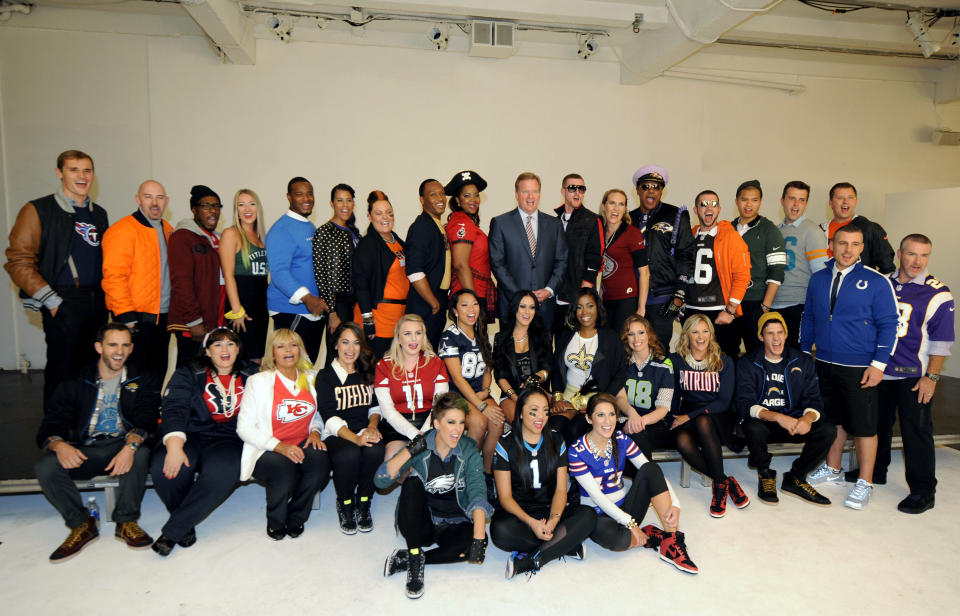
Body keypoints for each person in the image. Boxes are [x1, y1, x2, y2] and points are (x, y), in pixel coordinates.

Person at [34, 323, 160, 561]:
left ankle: (126, 521)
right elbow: (50, 426)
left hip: (121, 445)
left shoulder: (144, 378)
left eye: (125, 345)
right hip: (86, 449)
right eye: (112, 344)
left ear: (131, 348)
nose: (119, 351)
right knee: (46, 467)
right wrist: (60, 446)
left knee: (140, 452)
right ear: (98, 347)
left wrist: (130, 447)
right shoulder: (74, 381)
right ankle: (81, 524)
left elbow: (147, 418)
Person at [802, 224, 898, 510]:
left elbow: (890, 325)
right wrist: (806, 352)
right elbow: (809, 317)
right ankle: (833, 469)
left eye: (855, 244)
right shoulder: (818, 278)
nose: (848, 250)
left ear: (861, 248)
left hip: (860, 367)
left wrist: (879, 364)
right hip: (825, 363)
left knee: (865, 427)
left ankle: (865, 482)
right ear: (832, 244)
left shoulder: (877, 281)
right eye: (842, 243)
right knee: (833, 421)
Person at [5, 149, 109, 404]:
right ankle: (56, 431)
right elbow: (18, 260)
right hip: (63, 299)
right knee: (63, 369)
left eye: (87, 170)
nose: (82, 176)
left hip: (96, 300)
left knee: (92, 367)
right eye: (74, 170)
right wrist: (50, 300)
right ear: (59, 173)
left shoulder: (99, 214)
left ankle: (84, 423)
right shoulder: (38, 209)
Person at [150, 327, 256, 556]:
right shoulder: (188, 373)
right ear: (207, 351)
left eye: (230, 343)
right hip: (191, 434)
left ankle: (175, 529)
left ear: (238, 349)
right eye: (217, 344)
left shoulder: (252, 374)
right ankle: (185, 520)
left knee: (225, 471)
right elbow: (174, 409)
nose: (224, 349)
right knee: (166, 469)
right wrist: (175, 446)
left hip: (229, 438)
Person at [376, 393, 493, 599]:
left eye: (461, 423)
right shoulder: (422, 446)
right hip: (421, 523)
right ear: (437, 423)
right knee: (412, 483)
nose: (458, 430)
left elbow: (477, 489)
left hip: (455, 521)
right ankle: (414, 559)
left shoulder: (468, 450)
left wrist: (478, 537)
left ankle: (412, 558)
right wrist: (410, 451)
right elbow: (381, 481)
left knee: (476, 542)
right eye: (451, 422)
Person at [567, 393, 697, 573]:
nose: (608, 421)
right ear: (589, 418)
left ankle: (671, 540)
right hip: (598, 513)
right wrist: (631, 524)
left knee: (650, 468)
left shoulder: (621, 439)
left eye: (612, 414)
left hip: (625, 505)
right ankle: (649, 536)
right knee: (617, 541)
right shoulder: (576, 452)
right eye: (600, 415)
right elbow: (597, 497)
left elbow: (651, 470)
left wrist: (675, 503)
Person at [871, 234, 953, 513]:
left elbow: (942, 340)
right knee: (876, 426)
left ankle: (923, 491)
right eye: (912, 254)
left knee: (916, 432)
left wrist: (931, 377)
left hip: (914, 376)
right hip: (881, 371)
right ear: (899, 253)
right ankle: (876, 472)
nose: (918, 261)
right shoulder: (884, 284)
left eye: (924, 255)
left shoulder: (938, 293)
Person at [492, 388, 597, 578]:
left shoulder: (557, 439)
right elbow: (505, 498)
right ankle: (563, 545)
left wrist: (554, 519)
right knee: (499, 532)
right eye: (533, 411)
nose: (540, 417)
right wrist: (532, 523)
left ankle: (533, 560)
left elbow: (560, 490)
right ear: (521, 414)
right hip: (520, 515)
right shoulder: (505, 443)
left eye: (545, 411)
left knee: (588, 515)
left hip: (551, 510)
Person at [237, 329, 330, 539]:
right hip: (268, 447)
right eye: (281, 346)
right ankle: (276, 521)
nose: (288, 350)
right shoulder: (258, 382)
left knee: (319, 469)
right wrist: (280, 447)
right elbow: (244, 428)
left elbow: (318, 414)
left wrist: (315, 432)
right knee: (283, 472)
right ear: (272, 354)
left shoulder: (311, 378)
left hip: (303, 440)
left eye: (293, 345)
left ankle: (296, 517)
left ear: (301, 350)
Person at [737, 312, 835, 506]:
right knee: (752, 427)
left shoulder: (803, 361)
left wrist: (806, 419)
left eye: (780, 332)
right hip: (767, 424)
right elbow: (745, 404)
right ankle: (765, 474)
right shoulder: (748, 363)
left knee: (828, 430)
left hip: (795, 422)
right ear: (761, 337)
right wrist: (779, 418)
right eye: (770, 333)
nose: (776, 338)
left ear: (785, 334)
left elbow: (814, 400)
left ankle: (796, 478)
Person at [671, 314, 749, 517]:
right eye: (695, 331)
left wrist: (690, 416)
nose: (700, 336)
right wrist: (673, 417)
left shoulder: (724, 361)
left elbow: (723, 402)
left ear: (711, 334)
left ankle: (719, 490)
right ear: (686, 334)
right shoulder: (677, 360)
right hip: (689, 411)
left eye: (705, 331)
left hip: (717, 414)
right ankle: (724, 481)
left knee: (703, 421)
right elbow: (675, 394)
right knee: (681, 440)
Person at [315, 322, 384, 534]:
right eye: (345, 342)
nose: (350, 349)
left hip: (363, 428)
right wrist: (356, 439)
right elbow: (328, 416)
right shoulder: (326, 376)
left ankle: (363, 502)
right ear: (335, 345)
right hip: (337, 433)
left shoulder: (366, 371)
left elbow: (375, 405)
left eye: (356, 343)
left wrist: (372, 427)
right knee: (349, 455)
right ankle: (345, 504)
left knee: (376, 450)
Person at [102, 180, 174, 378]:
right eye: (148, 197)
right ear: (138, 199)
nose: (154, 203)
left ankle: (150, 410)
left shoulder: (169, 230)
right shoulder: (122, 230)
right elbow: (113, 276)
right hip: (135, 318)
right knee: (133, 375)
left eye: (159, 198)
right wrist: (126, 315)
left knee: (158, 372)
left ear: (166, 201)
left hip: (163, 317)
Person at [489, 172, 568, 329]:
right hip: (512, 305)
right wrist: (521, 296)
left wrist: (549, 289)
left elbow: (562, 261)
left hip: (544, 305)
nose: (530, 196)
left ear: (540, 194)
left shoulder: (554, 225)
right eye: (525, 191)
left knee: (543, 352)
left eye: (535, 191)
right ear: (516, 194)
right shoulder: (500, 223)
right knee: (511, 352)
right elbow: (497, 263)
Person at [628, 165, 695, 352]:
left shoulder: (676, 215)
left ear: (661, 191)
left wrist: (679, 295)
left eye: (656, 187)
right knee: (632, 350)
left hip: (663, 297)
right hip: (633, 298)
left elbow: (686, 255)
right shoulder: (628, 219)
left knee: (659, 350)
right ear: (637, 190)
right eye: (646, 186)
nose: (651, 191)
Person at [549, 288, 626, 443]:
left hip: (596, 398)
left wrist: (602, 400)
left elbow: (620, 373)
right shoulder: (565, 336)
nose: (585, 312)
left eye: (590, 306)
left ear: (598, 307)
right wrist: (557, 398)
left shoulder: (610, 337)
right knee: (554, 429)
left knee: (575, 430)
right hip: (569, 398)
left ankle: (579, 468)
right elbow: (556, 370)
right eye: (579, 307)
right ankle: (560, 468)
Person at [438, 289, 502, 472]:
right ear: (455, 311)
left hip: (478, 393)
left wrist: (486, 391)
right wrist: (480, 404)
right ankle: (464, 473)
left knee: (497, 422)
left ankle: (485, 472)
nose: (471, 309)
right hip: (455, 395)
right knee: (479, 422)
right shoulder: (449, 337)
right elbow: (457, 379)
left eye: (474, 304)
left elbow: (488, 369)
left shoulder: (481, 332)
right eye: (464, 305)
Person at [266, 177, 328, 364]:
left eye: (309, 193)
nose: (306, 198)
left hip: (312, 311)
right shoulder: (281, 230)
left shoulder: (308, 226)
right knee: (292, 368)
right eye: (299, 194)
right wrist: (308, 298)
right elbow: (279, 273)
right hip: (292, 311)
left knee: (307, 369)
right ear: (289, 197)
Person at [686, 189, 751, 360]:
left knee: (723, 363)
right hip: (692, 310)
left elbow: (742, 276)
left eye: (713, 204)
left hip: (719, 312)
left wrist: (730, 311)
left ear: (719, 209)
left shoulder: (731, 237)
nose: (709, 208)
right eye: (704, 204)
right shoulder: (689, 235)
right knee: (692, 362)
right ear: (695, 210)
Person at [375, 314, 450, 462]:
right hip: (396, 425)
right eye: (407, 334)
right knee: (395, 460)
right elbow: (387, 411)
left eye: (418, 333)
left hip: (429, 423)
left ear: (424, 336)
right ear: (398, 337)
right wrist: (415, 435)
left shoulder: (436, 363)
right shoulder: (384, 365)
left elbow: (439, 406)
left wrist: (425, 433)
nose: (414, 339)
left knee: (432, 460)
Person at [168, 185, 224, 367]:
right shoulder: (183, 237)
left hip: (214, 321)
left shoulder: (217, 239)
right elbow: (181, 282)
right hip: (192, 324)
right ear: (194, 209)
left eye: (216, 206)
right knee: (188, 375)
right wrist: (194, 321)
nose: (213, 211)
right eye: (206, 206)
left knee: (207, 377)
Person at [731, 180, 786, 355]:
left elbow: (777, 271)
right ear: (737, 201)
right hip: (729, 303)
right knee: (727, 352)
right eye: (744, 199)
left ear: (760, 202)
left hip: (755, 303)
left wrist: (765, 306)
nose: (749, 204)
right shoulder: (728, 229)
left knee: (756, 353)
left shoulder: (769, 230)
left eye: (754, 200)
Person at [771, 181, 827, 348]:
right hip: (773, 304)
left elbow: (820, 276)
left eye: (801, 200)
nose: (796, 204)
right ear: (782, 200)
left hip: (798, 305)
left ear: (806, 203)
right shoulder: (775, 230)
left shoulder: (812, 231)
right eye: (792, 198)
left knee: (795, 358)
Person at [353, 190, 408, 358]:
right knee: (376, 372)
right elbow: (361, 284)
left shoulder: (397, 241)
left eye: (389, 213)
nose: (385, 217)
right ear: (370, 217)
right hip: (378, 320)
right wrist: (368, 321)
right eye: (379, 213)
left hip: (398, 318)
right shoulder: (368, 244)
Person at [615, 315, 676, 460]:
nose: (636, 339)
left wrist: (640, 421)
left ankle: (646, 479)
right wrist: (632, 415)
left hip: (654, 422)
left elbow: (663, 408)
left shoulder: (664, 365)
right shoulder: (621, 364)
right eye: (631, 334)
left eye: (641, 332)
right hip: (626, 418)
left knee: (636, 435)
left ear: (649, 334)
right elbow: (620, 397)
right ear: (626, 338)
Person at [313, 183, 361, 365]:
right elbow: (321, 274)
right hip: (337, 302)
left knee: (353, 352)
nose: (345, 205)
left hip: (354, 301)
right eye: (340, 200)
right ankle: (330, 390)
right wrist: (332, 312)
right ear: (332, 203)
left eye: (349, 200)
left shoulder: (354, 232)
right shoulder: (324, 232)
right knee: (337, 352)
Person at [552, 173, 603, 343]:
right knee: (557, 344)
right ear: (563, 191)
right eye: (572, 188)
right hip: (555, 296)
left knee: (577, 344)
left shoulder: (592, 220)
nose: (577, 192)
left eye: (581, 189)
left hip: (578, 296)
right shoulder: (553, 221)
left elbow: (596, 257)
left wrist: (585, 292)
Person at [220, 189, 268, 363]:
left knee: (257, 360)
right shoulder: (231, 233)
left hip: (260, 308)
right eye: (241, 204)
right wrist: (236, 310)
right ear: (236, 209)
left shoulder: (262, 238)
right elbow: (228, 274)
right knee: (241, 361)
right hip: (241, 308)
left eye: (251, 204)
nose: (247, 209)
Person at [492, 291, 552, 427]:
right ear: (515, 308)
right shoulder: (501, 338)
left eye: (532, 307)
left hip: (537, 391)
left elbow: (547, 368)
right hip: (510, 395)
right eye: (522, 306)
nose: (527, 312)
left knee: (541, 421)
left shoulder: (542, 336)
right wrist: (515, 397)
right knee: (522, 423)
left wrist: (534, 379)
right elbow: (500, 375)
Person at [445, 170, 497, 323]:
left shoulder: (468, 223)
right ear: (458, 200)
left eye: (476, 195)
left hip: (475, 293)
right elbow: (460, 264)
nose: (473, 199)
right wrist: (473, 303)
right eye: (467, 196)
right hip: (469, 295)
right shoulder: (462, 222)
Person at [406, 178, 451, 349]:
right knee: (421, 356)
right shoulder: (421, 227)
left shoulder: (437, 225)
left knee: (431, 356)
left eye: (442, 193)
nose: (440, 198)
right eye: (433, 195)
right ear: (422, 200)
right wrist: (433, 302)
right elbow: (414, 270)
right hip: (425, 305)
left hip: (436, 301)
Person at [598, 188, 650, 333]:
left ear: (625, 209)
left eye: (621, 204)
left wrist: (641, 307)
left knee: (621, 345)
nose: (616, 208)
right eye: (612, 203)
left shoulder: (632, 233)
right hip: (606, 299)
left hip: (627, 299)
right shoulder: (599, 231)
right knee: (606, 343)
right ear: (604, 206)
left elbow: (645, 272)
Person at [818, 182, 895, 274]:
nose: (845, 201)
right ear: (830, 202)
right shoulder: (819, 231)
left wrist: (870, 285)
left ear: (856, 201)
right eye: (840, 198)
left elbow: (888, 268)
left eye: (850, 197)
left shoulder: (871, 229)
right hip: (826, 285)